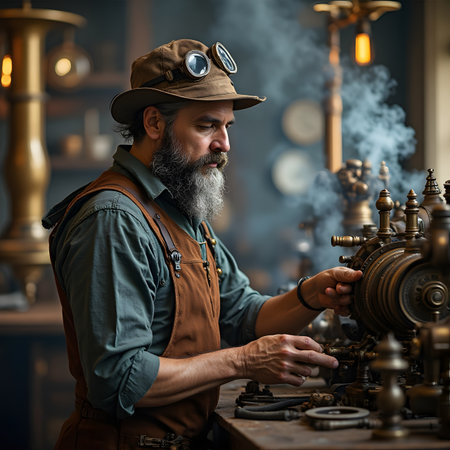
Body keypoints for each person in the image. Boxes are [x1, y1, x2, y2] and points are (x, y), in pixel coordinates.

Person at [43, 39, 362, 450]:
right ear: (154, 123)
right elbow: (119, 379)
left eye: (227, 126)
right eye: (207, 125)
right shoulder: (115, 219)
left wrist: (311, 295)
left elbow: (245, 315)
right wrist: (244, 361)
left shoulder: (180, 211)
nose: (224, 144)